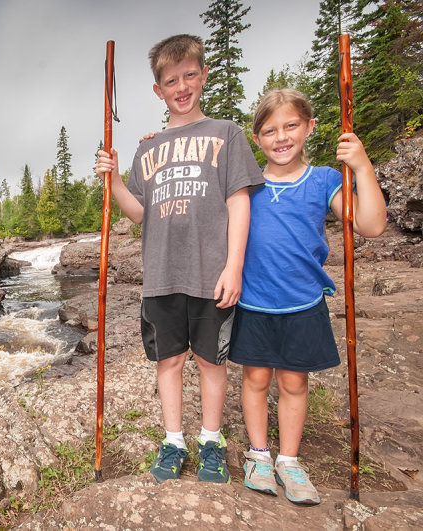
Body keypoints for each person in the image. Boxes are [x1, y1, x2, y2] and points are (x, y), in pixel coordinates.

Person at [95, 34, 264, 484]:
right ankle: (173, 440)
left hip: (212, 272)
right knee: (168, 361)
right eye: (171, 80)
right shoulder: (148, 148)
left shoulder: (225, 134)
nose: (182, 86)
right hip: (162, 275)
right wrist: (113, 183)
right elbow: (139, 212)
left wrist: (234, 265)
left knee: (212, 361)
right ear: (159, 90)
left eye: (190, 75)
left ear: (204, 75)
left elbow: (239, 201)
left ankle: (211, 440)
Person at [230, 88, 387, 504]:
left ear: (309, 127)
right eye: (269, 131)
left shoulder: (324, 180)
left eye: (291, 126)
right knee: (256, 378)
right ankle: (259, 455)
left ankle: (290, 460)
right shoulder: (247, 186)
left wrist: (362, 165)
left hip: (303, 302)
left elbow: (371, 225)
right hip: (254, 302)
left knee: (295, 382)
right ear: (257, 138)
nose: (281, 137)